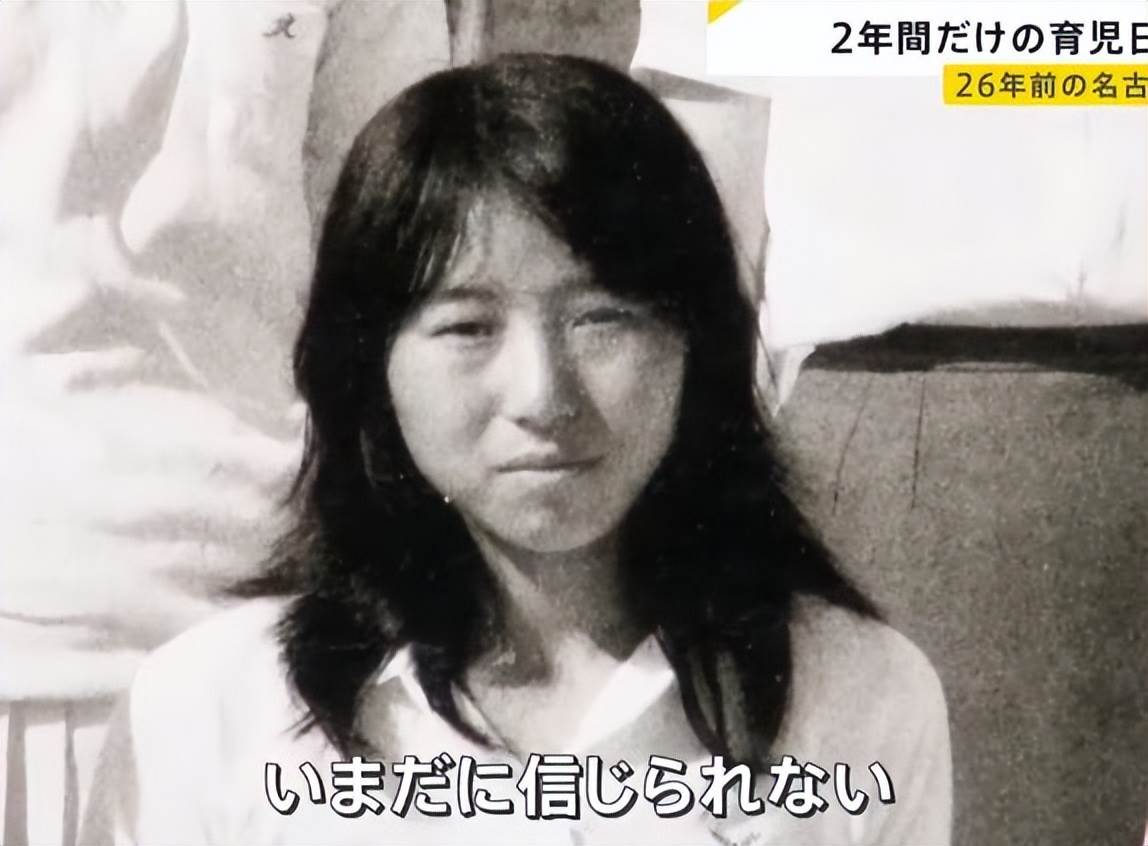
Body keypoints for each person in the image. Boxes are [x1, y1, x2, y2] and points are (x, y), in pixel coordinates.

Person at [81, 54, 951, 845]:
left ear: (699, 343)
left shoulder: (859, 695)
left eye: (602, 318)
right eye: (468, 326)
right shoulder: (215, 709)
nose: (543, 397)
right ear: (369, 366)